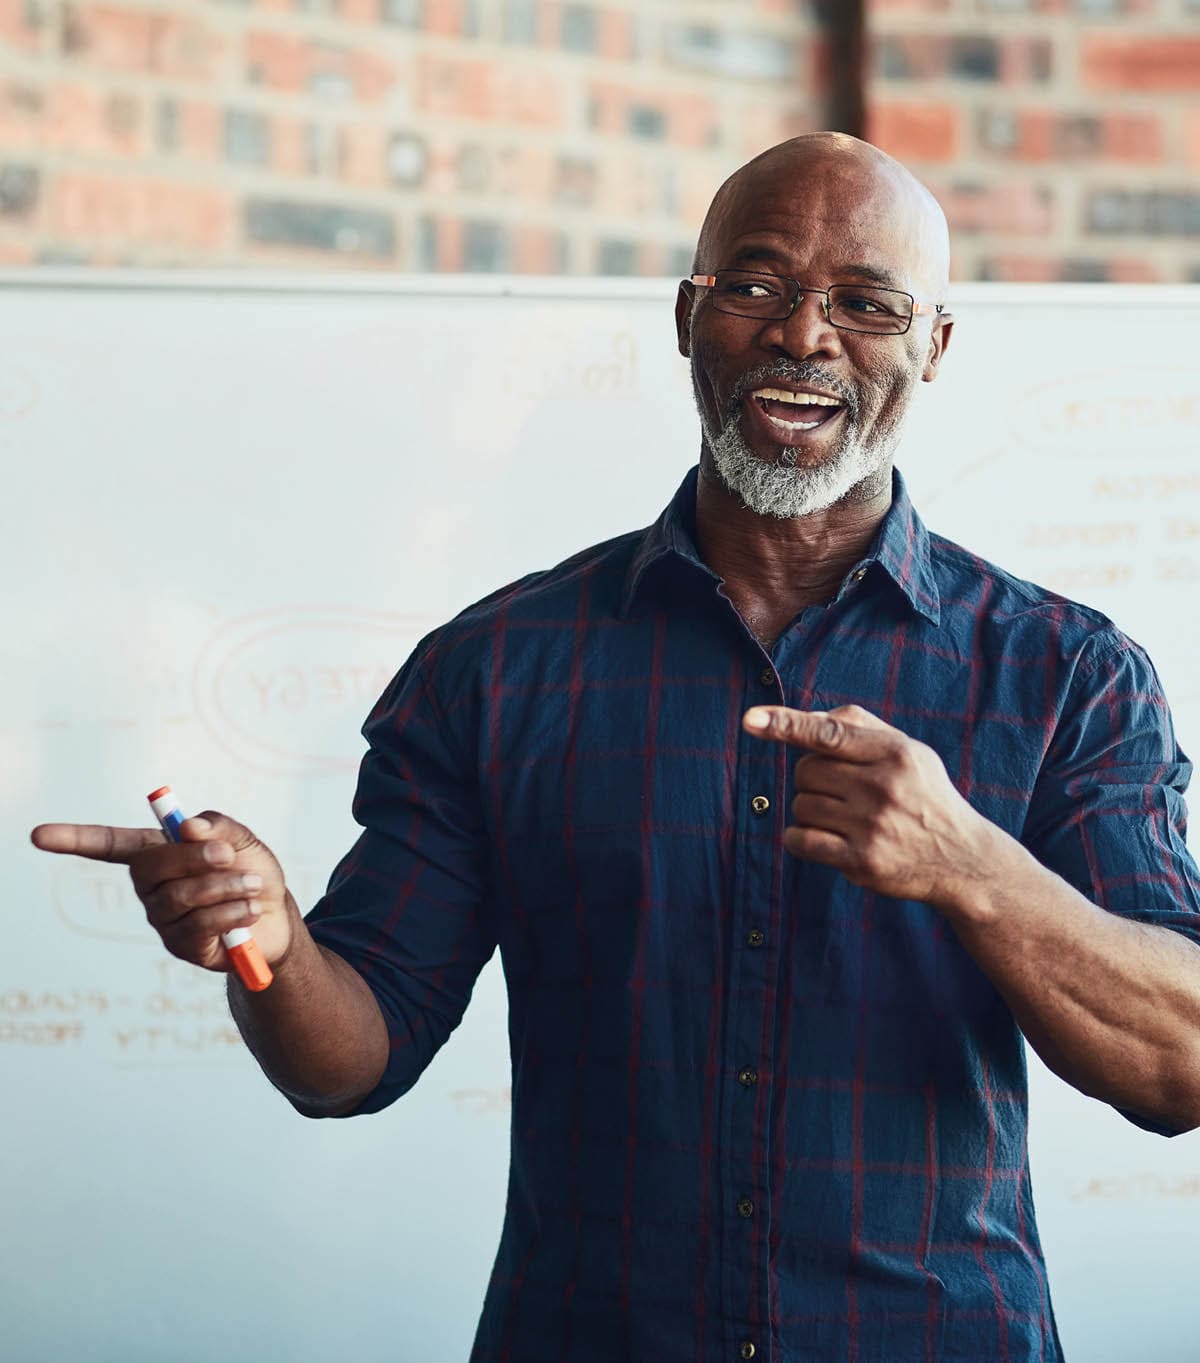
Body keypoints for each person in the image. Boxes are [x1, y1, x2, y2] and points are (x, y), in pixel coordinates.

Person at [32, 132, 1200, 1363]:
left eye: (865, 303)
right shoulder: (497, 669)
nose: (805, 336)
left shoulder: (1067, 675)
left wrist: (972, 864)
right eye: (756, 284)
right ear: (690, 317)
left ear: (935, 347)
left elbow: (1179, 1065)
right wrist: (268, 947)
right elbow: (348, 1059)